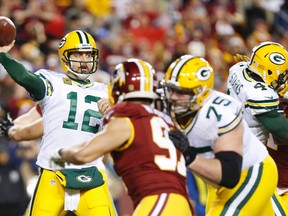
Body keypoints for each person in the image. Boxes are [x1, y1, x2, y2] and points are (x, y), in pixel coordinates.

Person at [51, 58, 193, 215]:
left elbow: (83, 154)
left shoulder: (126, 120)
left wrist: (59, 154)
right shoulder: (163, 121)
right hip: (178, 203)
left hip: (158, 199)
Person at [0, 30, 116, 216]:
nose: (84, 60)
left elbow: (126, 129)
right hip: (53, 171)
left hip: (92, 173)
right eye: (78, 54)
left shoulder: (107, 92)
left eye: (88, 54)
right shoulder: (52, 82)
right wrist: (3, 55)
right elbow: (25, 78)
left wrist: (114, 112)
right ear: (64, 56)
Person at [163, 54, 288, 215]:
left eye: (180, 92)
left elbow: (281, 134)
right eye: (171, 90)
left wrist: (190, 156)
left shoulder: (225, 110)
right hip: (226, 175)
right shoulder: (253, 90)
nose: (172, 97)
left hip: (249, 172)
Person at [227, 41, 288, 206]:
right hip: (248, 164)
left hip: (229, 149)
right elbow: (284, 133)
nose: (284, 78)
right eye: (283, 74)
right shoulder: (260, 95)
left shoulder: (238, 69)